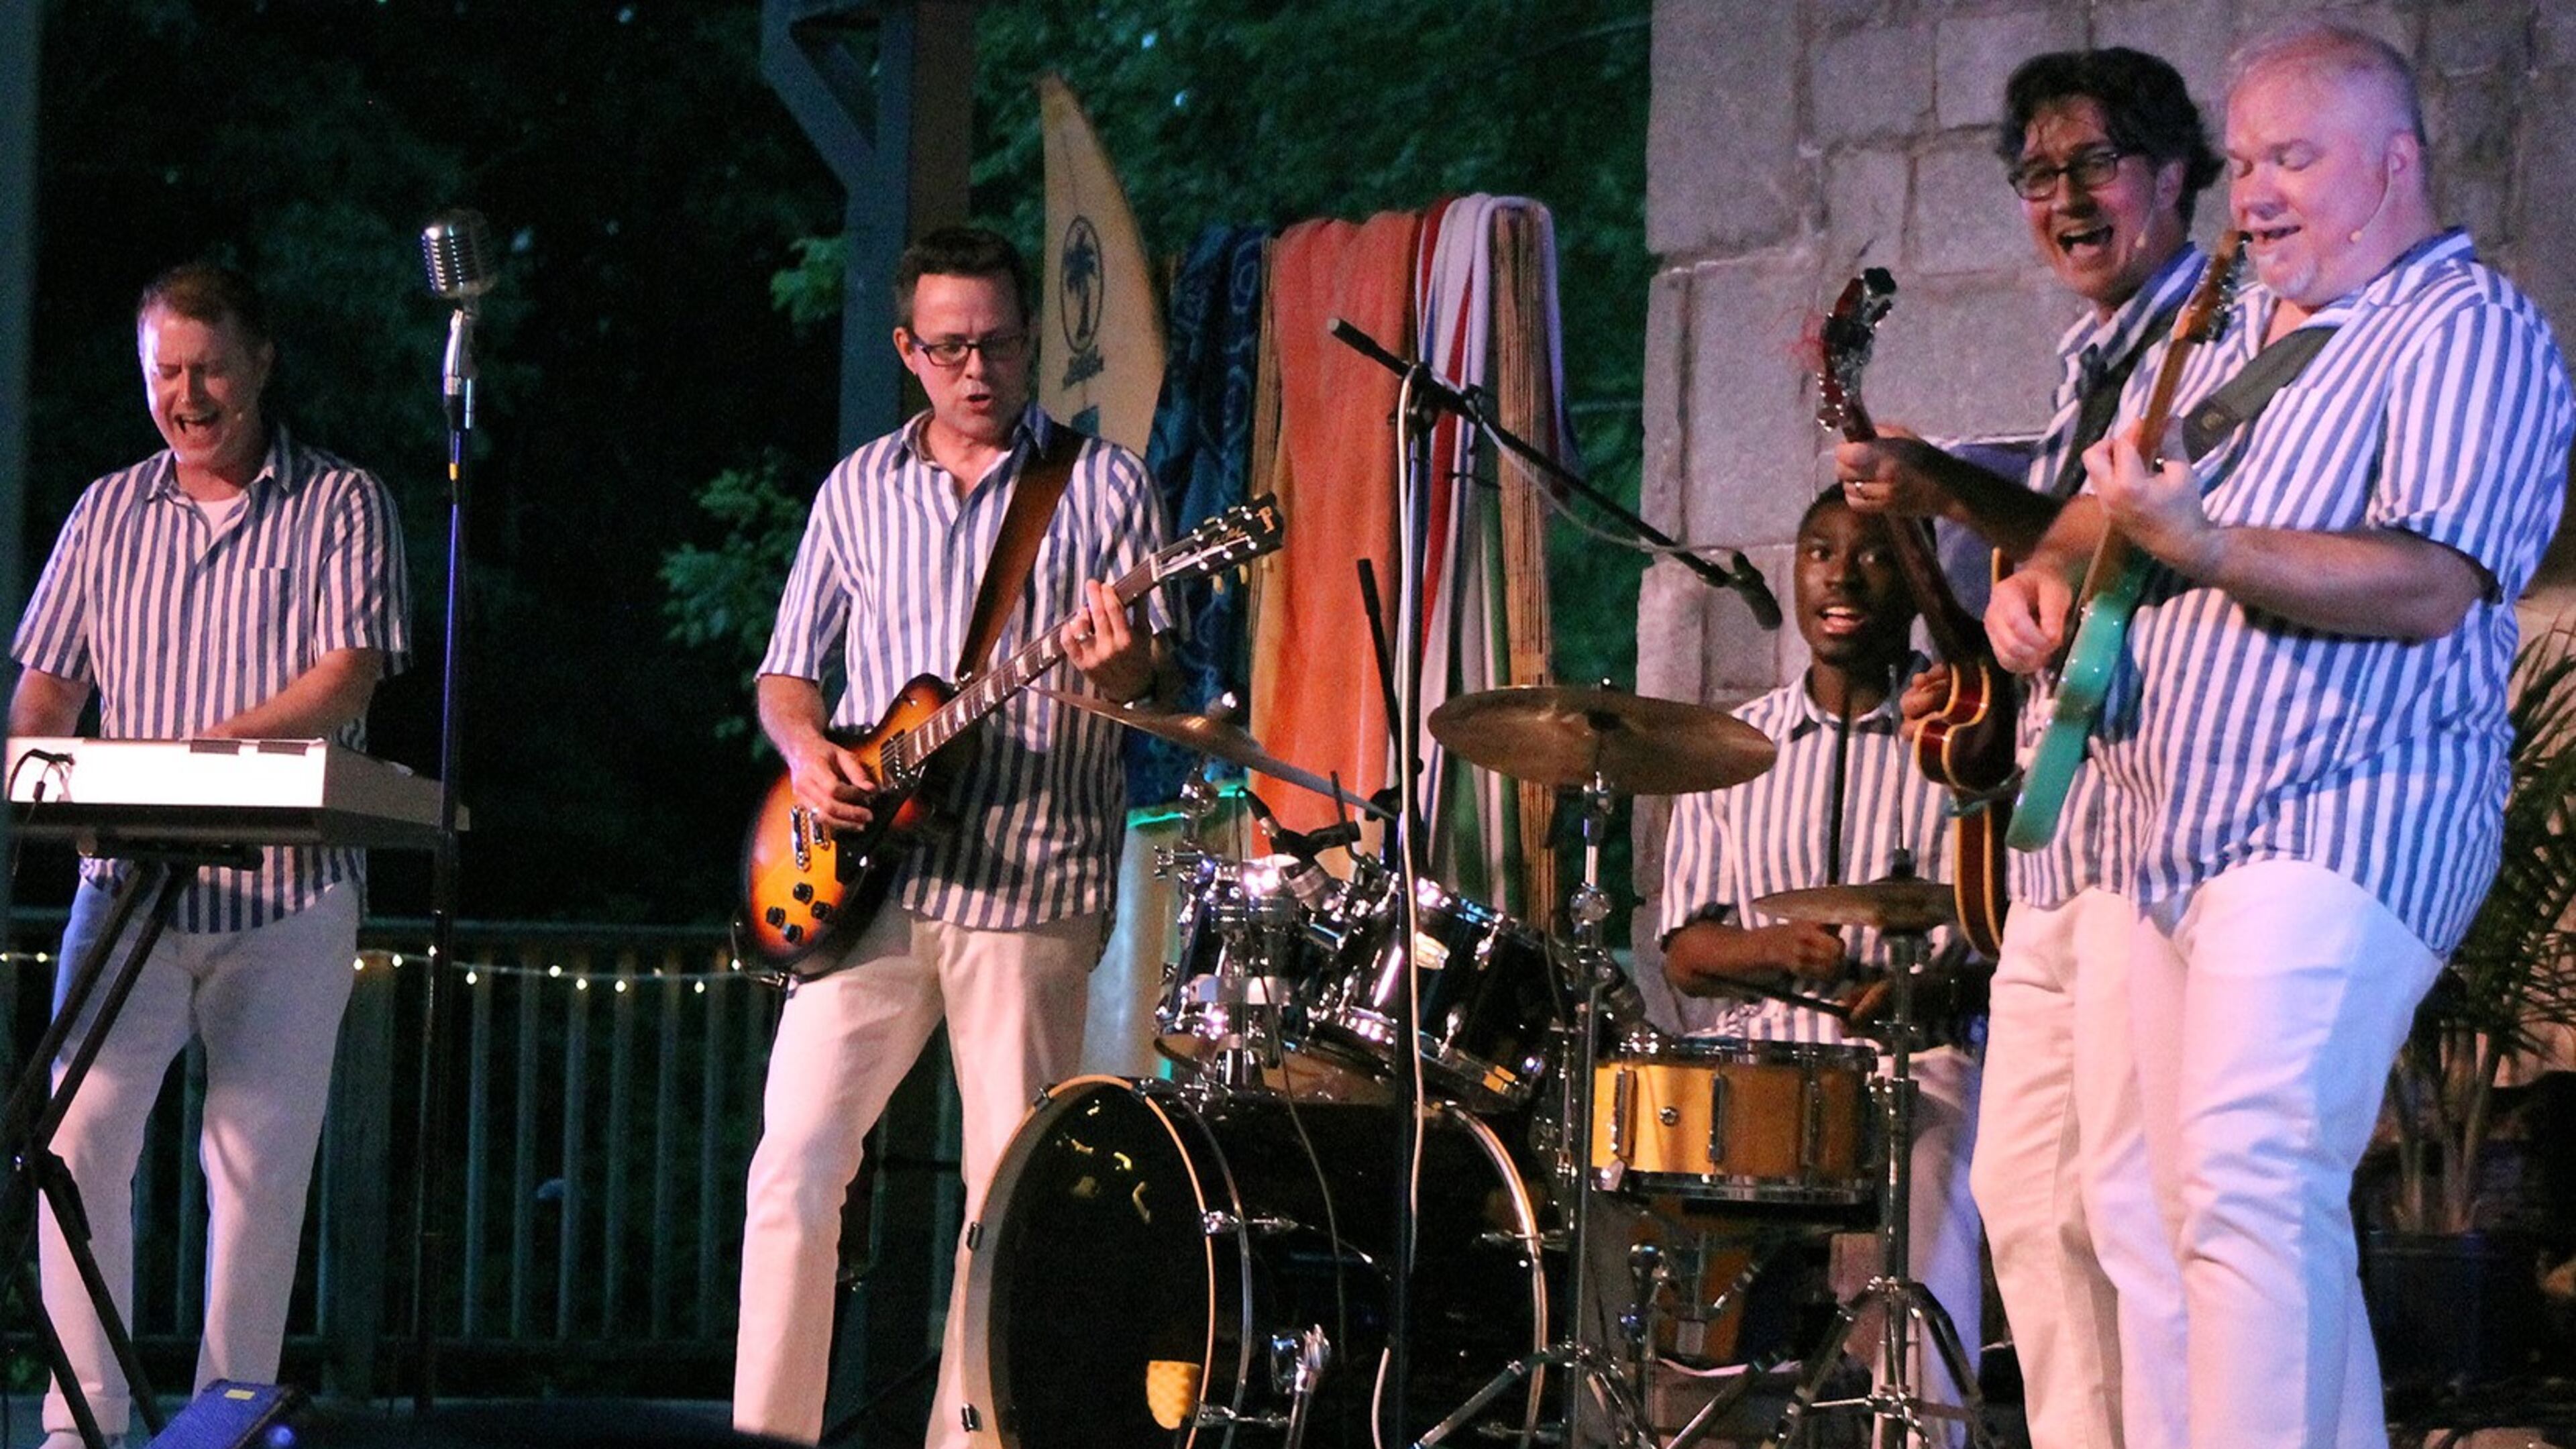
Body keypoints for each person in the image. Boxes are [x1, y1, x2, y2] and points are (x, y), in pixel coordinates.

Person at [1986, 19, 2574, 1446]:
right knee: (2140, 1207)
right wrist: (2045, 579)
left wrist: (2213, 547)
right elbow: (2096, 508)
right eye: (2244, 160)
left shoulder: (2465, 327)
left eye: (2292, 159)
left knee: (2249, 1175)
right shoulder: (2221, 331)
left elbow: (2433, 578)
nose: (2252, 194)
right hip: (2155, 833)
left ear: (2396, 164)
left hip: (2342, 812)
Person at [732, 225, 1175, 1449]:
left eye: (1000, 342)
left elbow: (1152, 679)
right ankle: (768, 1434)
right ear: (907, 351)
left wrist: (1123, 658)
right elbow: (786, 674)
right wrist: (809, 756)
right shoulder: (859, 488)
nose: (978, 368)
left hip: (1031, 886)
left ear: (1034, 340)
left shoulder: (1105, 489)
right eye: (951, 346)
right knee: (795, 1164)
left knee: (1004, 1201)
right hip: (871, 884)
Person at [1835, 46, 2220, 1449]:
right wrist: (1997, 677)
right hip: (2067, 833)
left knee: (2132, 1205)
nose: (2064, 198)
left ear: (2176, 175)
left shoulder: (2207, 342)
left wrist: (1933, 477)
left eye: (2095, 165)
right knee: (2035, 1200)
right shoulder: (2094, 359)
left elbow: (2140, 542)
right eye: (2038, 174)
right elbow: (2071, 571)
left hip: (2158, 825)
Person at [9, 262, 413, 1449]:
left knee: (255, 1168)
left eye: (207, 369)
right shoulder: (106, 510)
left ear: (260, 364)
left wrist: (204, 753)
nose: (186, 395)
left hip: (284, 899)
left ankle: (227, 1423)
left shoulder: (340, 503)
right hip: (126, 892)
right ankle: (81, 1418)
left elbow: (351, 670)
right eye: (164, 374)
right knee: (76, 1139)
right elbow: (43, 689)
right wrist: (53, 782)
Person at [1657, 488, 1983, 1418]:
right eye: (1818, 552)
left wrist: (1928, 985)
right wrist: (1774, 952)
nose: (1839, 575)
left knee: (1930, 1161)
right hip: (1765, 1060)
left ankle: (1923, 1426)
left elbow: (2017, 928)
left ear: (1917, 583)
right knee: (1630, 1148)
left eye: (1873, 557)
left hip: (1918, 1052)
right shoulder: (1731, 748)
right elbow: (1685, 952)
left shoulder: (1961, 739)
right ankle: (1685, 1410)